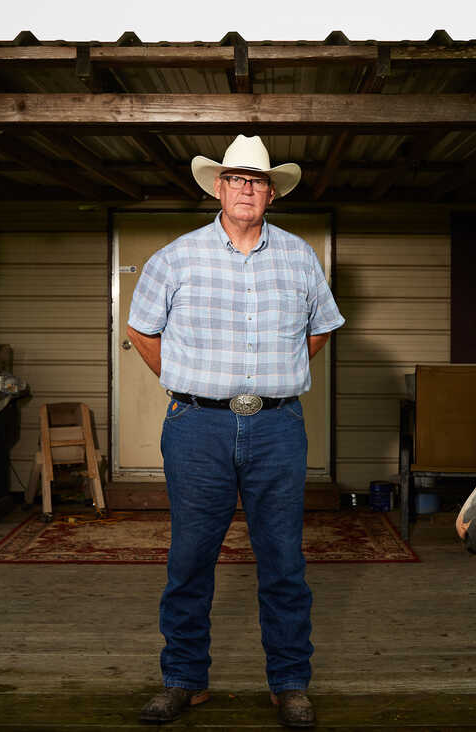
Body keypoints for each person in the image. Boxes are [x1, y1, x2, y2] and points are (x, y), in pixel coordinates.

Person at [127, 135, 344, 728]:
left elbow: (320, 329)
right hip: (197, 425)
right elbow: (142, 329)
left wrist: (281, 375)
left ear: (271, 193)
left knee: (283, 559)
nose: (246, 189)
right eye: (235, 179)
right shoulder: (176, 257)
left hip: (278, 425)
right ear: (218, 188)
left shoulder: (299, 257)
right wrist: (182, 378)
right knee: (191, 559)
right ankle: (183, 679)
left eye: (257, 181)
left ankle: (289, 683)